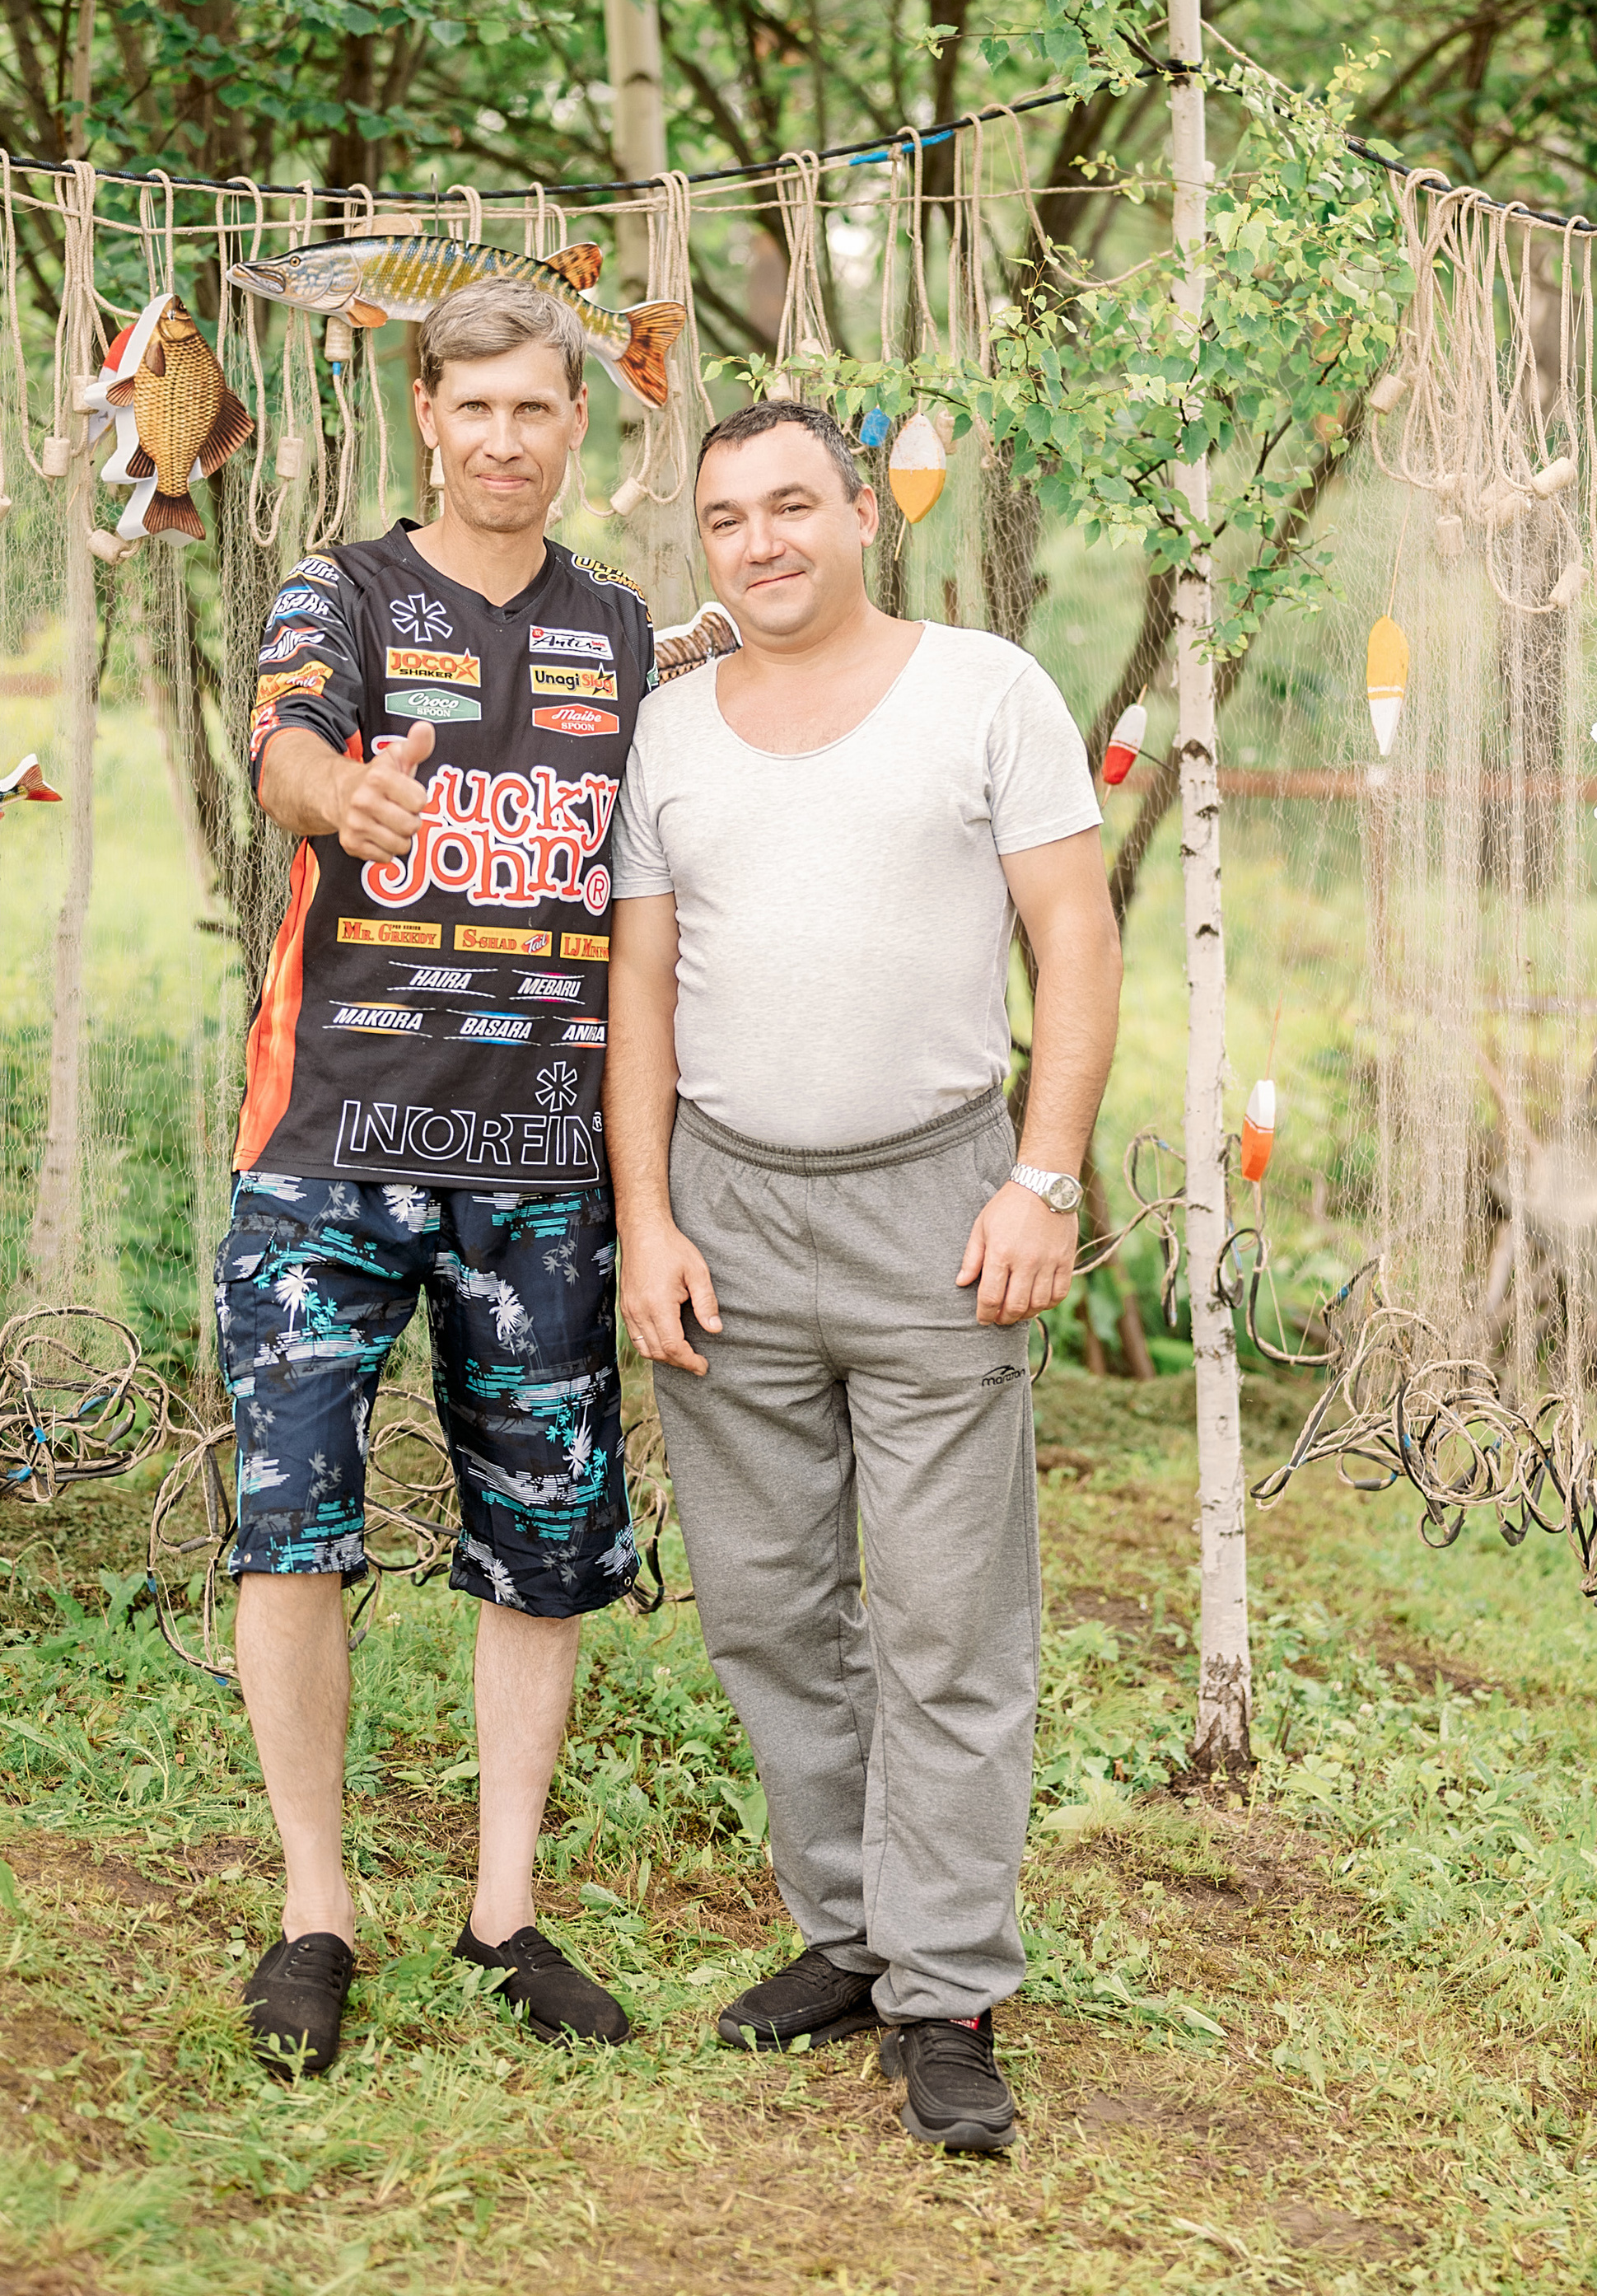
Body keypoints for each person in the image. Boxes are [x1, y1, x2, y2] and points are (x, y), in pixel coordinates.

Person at [607, 399, 1123, 2155]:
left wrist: (1038, 1180)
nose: (760, 543)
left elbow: (1075, 937)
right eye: (725, 518)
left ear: (857, 515)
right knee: (764, 1611)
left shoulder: (986, 693)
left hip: (937, 1209)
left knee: (941, 1620)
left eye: (790, 506)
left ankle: (947, 1988)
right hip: (726, 1220)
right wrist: (647, 1221)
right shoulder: (667, 733)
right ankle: (846, 1934)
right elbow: (642, 1003)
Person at [220, 277, 652, 2077]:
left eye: (534, 409)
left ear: (574, 426)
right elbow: (282, 754)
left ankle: (500, 1909)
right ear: (426, 417)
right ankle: (314, 1908)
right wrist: (345, 801)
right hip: (328, 1148)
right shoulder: (340, 586)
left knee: (539, 1549)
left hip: (544, 1163)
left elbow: (662, 887)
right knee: (292, 1521)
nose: (501, 438)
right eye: (471, 407)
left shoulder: (620, 633)